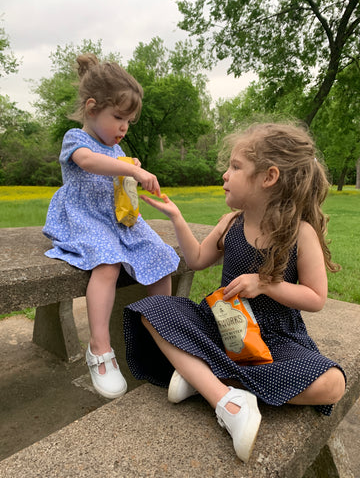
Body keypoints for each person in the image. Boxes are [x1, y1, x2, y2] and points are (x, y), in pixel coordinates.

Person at [123, 122, 346, 463]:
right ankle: (225, 395)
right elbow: (197, 259)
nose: (225, 175)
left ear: (268, 177)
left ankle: (209, 381)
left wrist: (266, 284)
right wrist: (177, 218)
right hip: (220, 326)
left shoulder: (300, 233)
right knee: (151, 310)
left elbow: (316, 298)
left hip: (274, 340)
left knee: (332, 385)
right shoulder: (231, 223)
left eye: (235, 167)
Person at [43, 54, 180, 400]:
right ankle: (100, 349)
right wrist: (130, 169)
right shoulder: (75, 139)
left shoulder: (115, 147)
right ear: (92, 108)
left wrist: (129, 170)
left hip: (118, 220)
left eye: (129, 121)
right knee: (108, 263)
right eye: (118, 117)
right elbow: (88, 162)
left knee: (161, 256)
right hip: (85, 218)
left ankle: (163, 336)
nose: (124, 127)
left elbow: (117, 174)